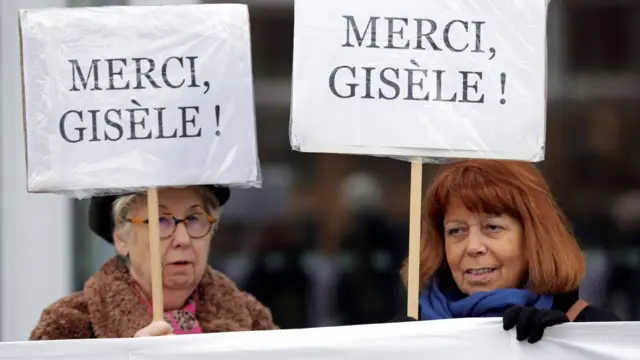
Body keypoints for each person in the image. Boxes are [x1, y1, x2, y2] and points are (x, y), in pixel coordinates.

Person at [393, 159, 621, 343]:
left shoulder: (594, 334)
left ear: (533, 237)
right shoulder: (406, 336)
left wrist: (558, 349)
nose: (473, 247)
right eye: (456, 231)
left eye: (493, 227)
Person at [30, 185, 278, 340]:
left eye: (194, 219)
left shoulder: (252, 322)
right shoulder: (69, 326)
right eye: (160, 221)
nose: (182, 239)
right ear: (121, 237)